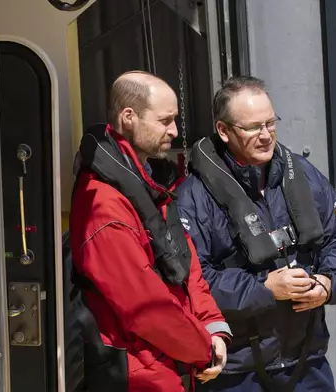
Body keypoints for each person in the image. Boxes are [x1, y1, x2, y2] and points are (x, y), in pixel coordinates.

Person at [176, 75, 336, 392]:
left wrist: (328, 284)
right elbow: (192, 282)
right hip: (237, 374)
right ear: (224, 130)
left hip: (308, 366)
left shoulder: (304, 175)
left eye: (270, 123)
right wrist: (266, 288)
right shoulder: (192, 197)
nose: (265, 135)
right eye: (252, 127)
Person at [68, 71, 232, 392]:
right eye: (165, 120)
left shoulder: (149, 184)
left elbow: (187, 267)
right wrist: (203, 351)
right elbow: (144, 308)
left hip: (169, 363)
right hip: (139, 375)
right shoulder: (103, 205)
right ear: (129, 117)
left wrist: (214, 329)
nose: (174, 131)